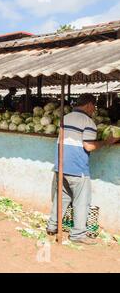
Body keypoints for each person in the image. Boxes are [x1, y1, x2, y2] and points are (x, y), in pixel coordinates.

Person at [46, 94, 119, 245]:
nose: (94, 110)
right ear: (89, 105)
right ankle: (78, 234)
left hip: (60, 166)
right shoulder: (88, 122)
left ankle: (52, 226)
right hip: (77, 168)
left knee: (62, 198)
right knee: (81, 201)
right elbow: (89, 146)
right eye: (94, 106)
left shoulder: (64, 118)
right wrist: (106, 142)